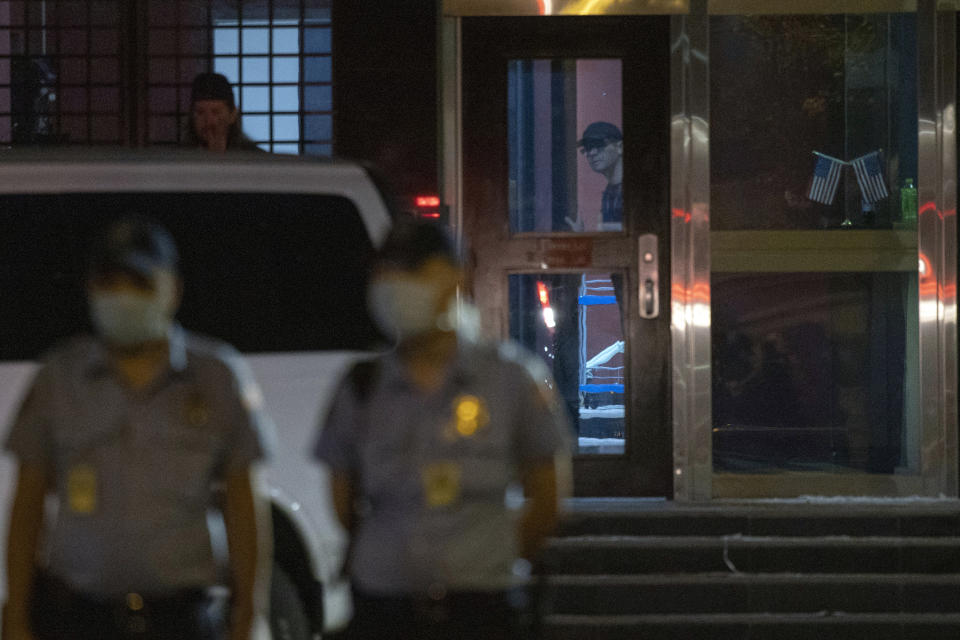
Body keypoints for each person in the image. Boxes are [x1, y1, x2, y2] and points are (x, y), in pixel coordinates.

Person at [2, 218, 273, 640]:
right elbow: (27, 503)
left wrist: (248, 616)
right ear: (91, 289)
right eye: (111, 283)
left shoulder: (216, 378)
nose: (124, 297)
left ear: (174, 290)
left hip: (181, 623)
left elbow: (244, 505)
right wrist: (16, 616)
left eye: (141, 282)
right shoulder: (60, 378)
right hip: (79, 621)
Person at [313, 218, 573, 640]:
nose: (395, 286)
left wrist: (488, 558)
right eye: (386, 273)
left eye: (413, 272)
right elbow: (342, 499)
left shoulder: (512, 379)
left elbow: (547, 497)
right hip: (383, 606)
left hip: (482, 609)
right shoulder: (362, 384)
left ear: (455, 277)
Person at [183, 72, 261, 152]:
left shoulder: (255, 159)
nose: (208, 120)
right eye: (200, 112)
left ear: (232, 115)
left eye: (216, 112)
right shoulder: (178, 158)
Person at [567, 121, 624, 232]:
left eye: (599, 145)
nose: (592, 153)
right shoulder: (610, 192)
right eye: (587, 148)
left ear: (620, 147)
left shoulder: (634, 192)